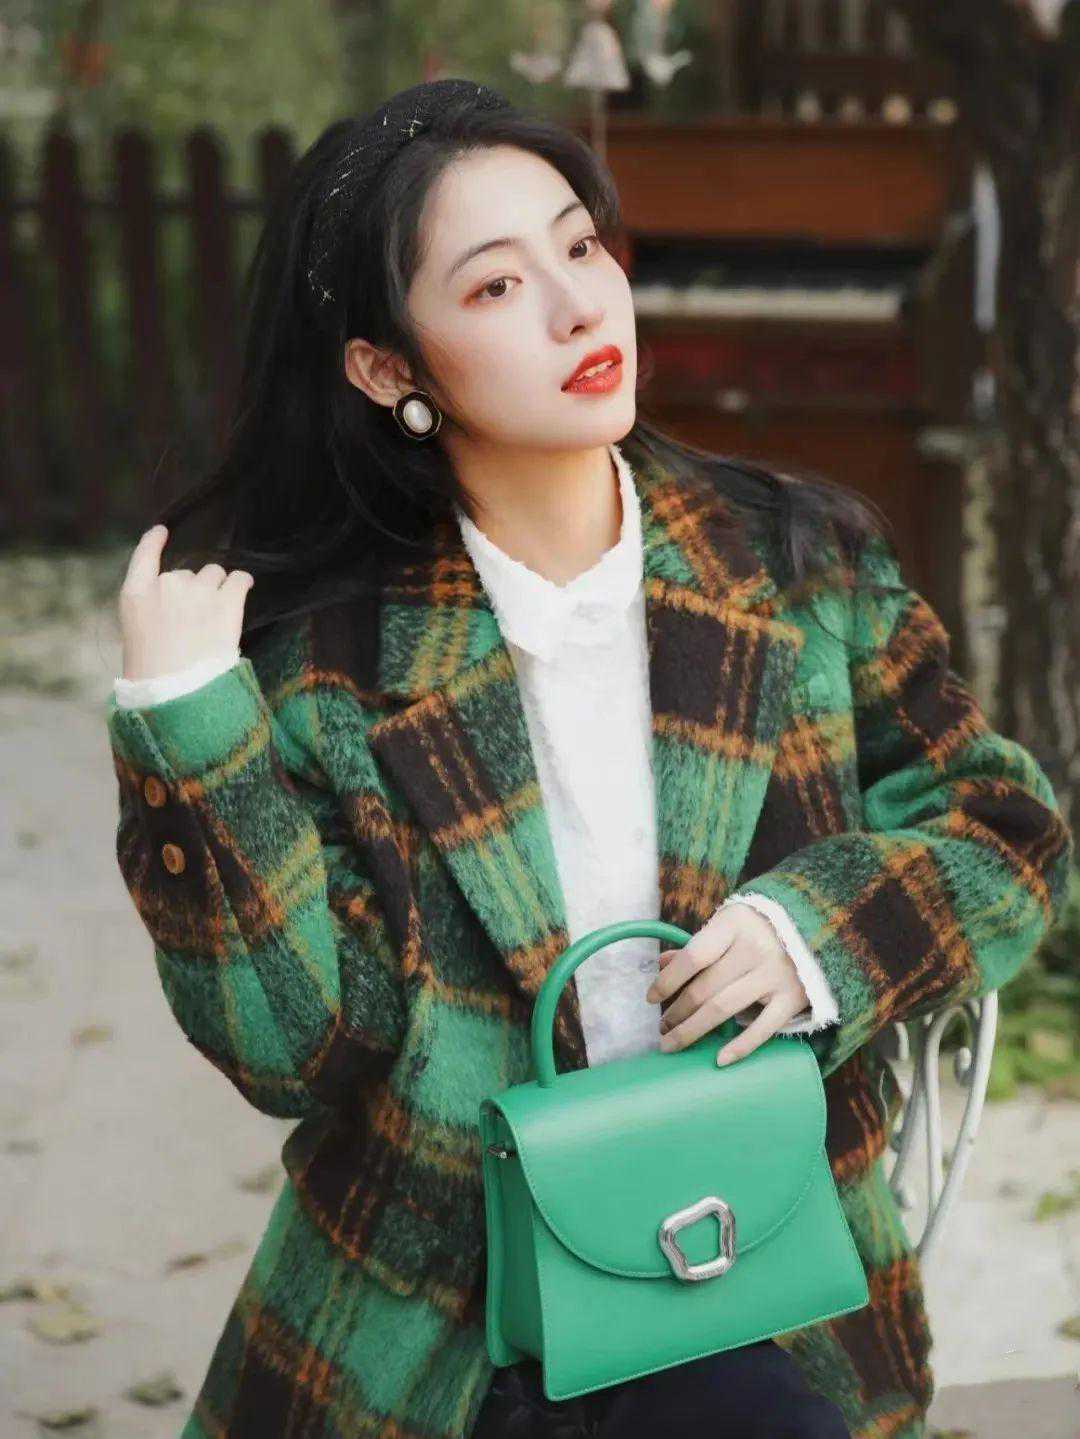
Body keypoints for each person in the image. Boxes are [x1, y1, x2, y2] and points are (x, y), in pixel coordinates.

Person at [105, 79, 1072, 1439]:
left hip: (759, 1265)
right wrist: (188, 727)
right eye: (497, 286)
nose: (578, 308)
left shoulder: (798, 566)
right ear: (388, 370)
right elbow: (300, 1055)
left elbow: (1009, 832)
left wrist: (816, 936)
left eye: (581, 245)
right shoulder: (330, 670)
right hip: (450, 1312)